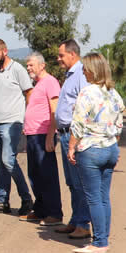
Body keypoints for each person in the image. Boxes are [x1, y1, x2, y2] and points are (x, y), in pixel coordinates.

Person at [68, 53, 125, 253]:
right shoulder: (113, 93)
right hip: (110, 148)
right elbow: (119, 125)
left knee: (93, 198)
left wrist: (71, 147)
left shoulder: (87, 93)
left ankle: (99, 243)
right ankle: (103, 239)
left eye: (85, 68)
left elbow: (78, 125)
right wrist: (114, 146)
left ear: (92, 70)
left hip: (91, 150)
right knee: (103, 197)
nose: (83, 71)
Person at [0, 39, 33, 215]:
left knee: (8, 161)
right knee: (0, 164)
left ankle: (27, 200)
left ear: (5, 51)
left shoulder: (17, 69)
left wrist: (27, 119)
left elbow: (29, 93)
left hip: (12, 123)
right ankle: (2, 201)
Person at [51, 39, 92, 240]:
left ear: (72, 54)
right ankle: (76, 220)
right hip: (65, 134)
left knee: (78, 182)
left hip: (73, 135)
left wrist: (77, 138)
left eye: (61, 55)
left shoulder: (80, 76)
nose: (58, 59)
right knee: (71, 182)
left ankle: (83, 224)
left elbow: (85, 106)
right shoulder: (70, 76)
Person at [20, 52, 64, 225]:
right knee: (35, 175)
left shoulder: (50, 82)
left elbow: (55, 110)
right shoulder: (37, 84)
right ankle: (40, 210)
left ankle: (54, 213)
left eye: (31, 65)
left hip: (43, 135)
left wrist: (50, 135)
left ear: (42, 65)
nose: (28, 68)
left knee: (47, 175)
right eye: (27, 65)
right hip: (32, 135)